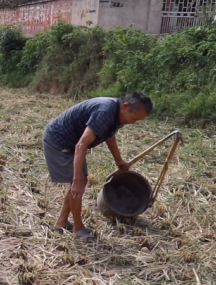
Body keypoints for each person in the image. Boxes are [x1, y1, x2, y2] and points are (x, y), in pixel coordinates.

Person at [42, 92, 153, 243]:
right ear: (126, 107)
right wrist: (76, 179)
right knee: (79, 182)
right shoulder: (105, 111)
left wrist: (118, 160)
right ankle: (78, 228)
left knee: (81, 180)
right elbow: (82, 144)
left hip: (72, 142)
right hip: (59, 140)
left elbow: (109, 134)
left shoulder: (117, 112)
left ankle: (62, 222)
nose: (133, 123)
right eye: (134, 118)